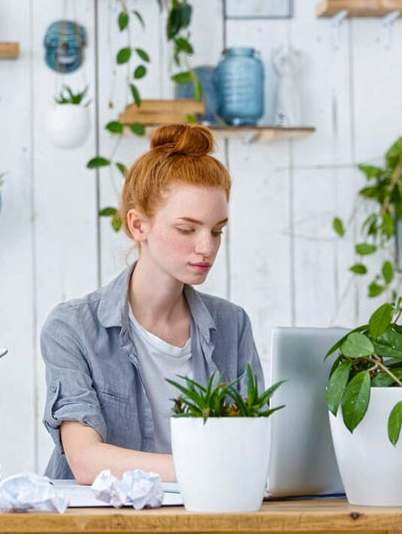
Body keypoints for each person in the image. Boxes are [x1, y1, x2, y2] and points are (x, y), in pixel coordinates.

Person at [40, 124, 263, 483]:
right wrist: (210, 470)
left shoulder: (231, 324)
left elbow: (254, 440)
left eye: (217, 230)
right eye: (187, 229)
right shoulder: (73, 327)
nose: (207, 247)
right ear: (138, 225)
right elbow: (85, 460)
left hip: (204, 511)